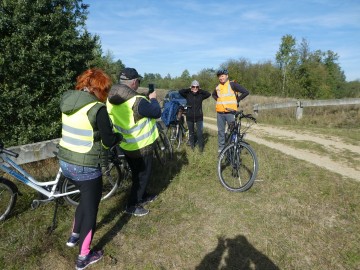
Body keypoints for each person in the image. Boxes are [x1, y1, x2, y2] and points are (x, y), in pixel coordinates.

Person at [57, 68, 122, 270]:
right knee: (91, 208)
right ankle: (84, 256)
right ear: (98, 88)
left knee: (85, 200)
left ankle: (73, 236)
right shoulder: (97, 109)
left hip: (65, 162)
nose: (106, 94)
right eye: (105, 90)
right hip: (85, 167)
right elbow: (109, 139)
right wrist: (118, 137)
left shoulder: (67, 102)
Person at [106, 67, 161, 217]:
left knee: (137, 174)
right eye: (138, 81)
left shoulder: (111, 98)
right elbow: (156, 112)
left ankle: (143, 195)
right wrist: (154, 98)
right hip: (142, 146)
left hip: (126, 145)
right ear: (134, 82)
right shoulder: (138, 102)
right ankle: (132, 205)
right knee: (143, 175)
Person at [212, 69, 249, 153]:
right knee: (221, 131)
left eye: (222, 76)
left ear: (227, 76)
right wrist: (218, 100)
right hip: (220, 113)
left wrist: (237, 100)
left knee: (233, 131)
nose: (221, 78)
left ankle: (234, 146)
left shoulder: (232, 84)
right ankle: (221, 148)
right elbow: (213, 94)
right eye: (219, 76)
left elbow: (246, 92)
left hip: (230, 113)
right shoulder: (218, 87)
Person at [179, 80, 211, 152]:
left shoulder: (201, 95)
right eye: (193, 86)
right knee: (191, 132)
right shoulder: (188, 94)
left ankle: (201, 149)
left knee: (200, 133)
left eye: (196, 87)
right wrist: (189, 89)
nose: (195, 88)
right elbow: (180, 91)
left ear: (198, 87)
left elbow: (208, 94)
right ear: (191, 87)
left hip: (199, 117)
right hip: (189, 116)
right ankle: (192, 148)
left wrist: (200, 90)